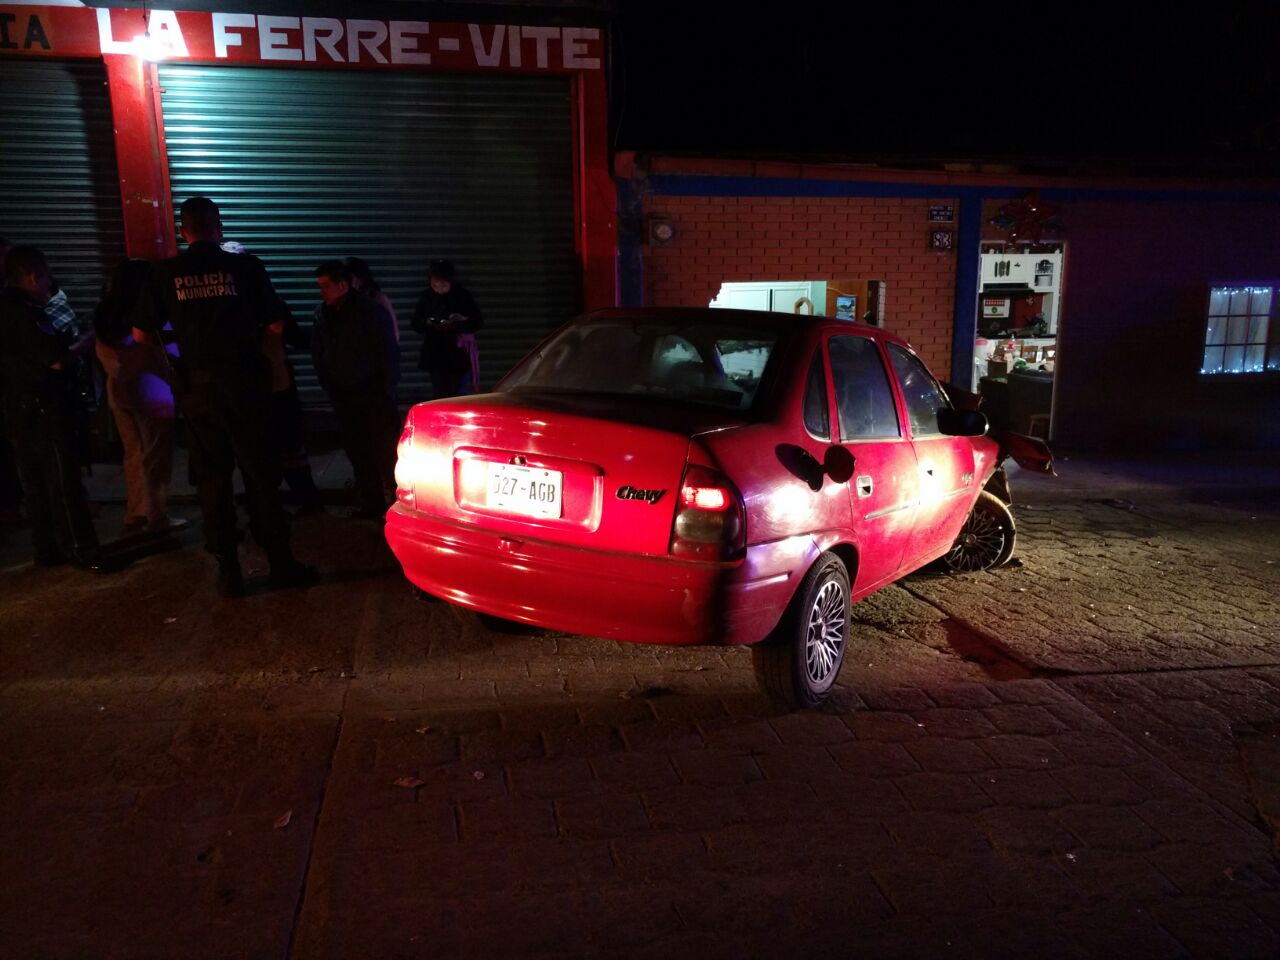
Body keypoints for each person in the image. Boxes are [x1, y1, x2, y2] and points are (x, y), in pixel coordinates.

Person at [131, 196, 316, 597]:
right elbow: (276, 323)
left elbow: (142, 335)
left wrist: (184, 345)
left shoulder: (164, 273)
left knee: (212, 479)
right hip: (246, 385)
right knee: (260, 473)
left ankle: (228, 572)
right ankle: (280, 564)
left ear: (184, 231)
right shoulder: (245, 266)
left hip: (197, 389)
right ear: (219, 227)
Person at [0, 245, 102, 568]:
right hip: (45, 411)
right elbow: (56, 361)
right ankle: (83, 550)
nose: (49, 284)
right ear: (33, 276)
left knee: (33, 486)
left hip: (15, 411)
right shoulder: (28, 312)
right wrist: (85, 341)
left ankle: (45, 550)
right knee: (62, 482)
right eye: (46, 277)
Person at [93, 258, 186, 536]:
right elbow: (165, 351)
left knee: (133, 454)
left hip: (118, 391)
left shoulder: (105, 314)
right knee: (156, 456)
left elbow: (103, 353)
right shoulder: (147, 314)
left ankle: (136, 513)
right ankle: (157, 516)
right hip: (152, 390)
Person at [311, 260, 399, 519]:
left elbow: (388, 352)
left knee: (385, 451)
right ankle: (371, 504)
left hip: (372, 394)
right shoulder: (323, 315)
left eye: (326, 286)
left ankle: (396, 505)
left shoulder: (369, 311)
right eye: (319, 286)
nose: (321, 291)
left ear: (343, 285)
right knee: (358, 452)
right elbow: (318, 351)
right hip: (343, 395)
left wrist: (387, 389)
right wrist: (328, 383)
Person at [412, 259, 482, 398]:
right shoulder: (426, 297)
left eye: (442, 283)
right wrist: (428, 323)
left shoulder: (462, 296)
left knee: (459, 396)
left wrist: (456, 324)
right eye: (435, 283)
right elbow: (415, 323)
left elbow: (477, 322)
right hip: (435, 356)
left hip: (458, 356)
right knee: (440, 394)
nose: (438, 287)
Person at [345, 256, 400, 343]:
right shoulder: (343, 301)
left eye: (349, 278)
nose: (345, 282)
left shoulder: (377, 299)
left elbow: (393, 333)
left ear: (361, 279)